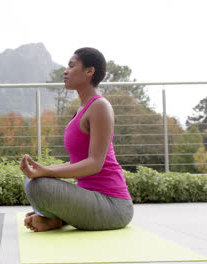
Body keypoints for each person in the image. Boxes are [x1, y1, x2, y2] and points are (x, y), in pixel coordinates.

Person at [21, 47, 133, 232]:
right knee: (31, 180)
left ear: (89, 71)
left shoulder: (100, 106)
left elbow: (95, 164)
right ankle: (55, 219)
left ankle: (54, 217)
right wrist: (41, 170)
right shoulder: (81, 110)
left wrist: (47, 172)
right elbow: (76, 162)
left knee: (38, 186)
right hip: (90, 197)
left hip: (114, 206)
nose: (65, 71)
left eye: (72, 66)